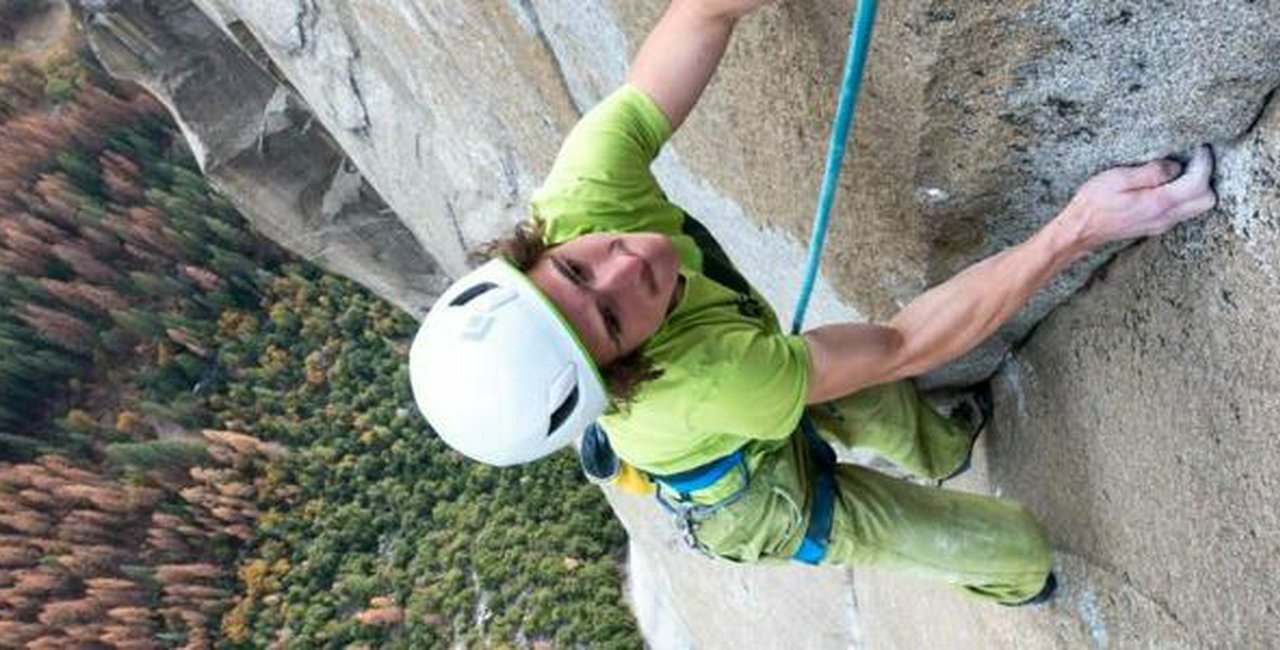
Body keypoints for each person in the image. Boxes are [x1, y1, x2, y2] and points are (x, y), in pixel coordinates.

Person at [408, 0, 1217, 605]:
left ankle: (947, 446)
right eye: (613, 320)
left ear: (535, 248)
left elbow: (700, 18)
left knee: (875, 396)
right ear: (629, 370)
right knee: (1012, 546)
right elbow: (902, 345)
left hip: (736, 397)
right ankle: (1014, 586)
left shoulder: (578, 198)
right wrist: (1073, 230)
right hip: (752, 501)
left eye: (575, 274)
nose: (625, 266)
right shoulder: (711, 378)